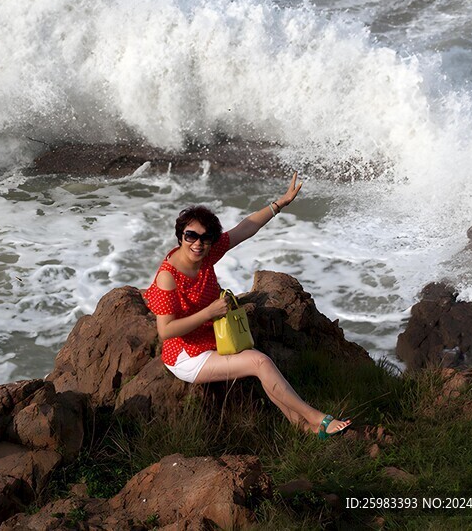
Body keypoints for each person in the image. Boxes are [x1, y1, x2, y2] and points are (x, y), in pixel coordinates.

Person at [143, 172, 350, 438]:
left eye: (205, 238)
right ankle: (317, 418)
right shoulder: (168, 277)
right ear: (180, 236)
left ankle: (301, 426)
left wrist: (280, 204)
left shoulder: (206, 255)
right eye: (190, 236)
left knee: (261, 365)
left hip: (212, 338)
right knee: (260, 362)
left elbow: (245, 228)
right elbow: (166, 331)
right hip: (187, 355)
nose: (198, 243)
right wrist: (209, 312)